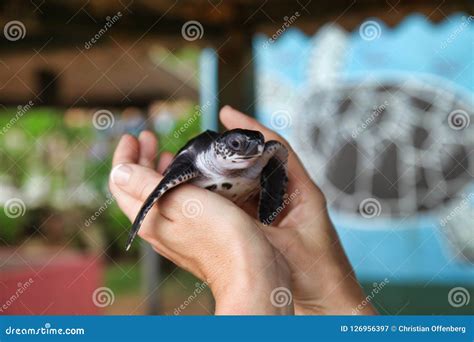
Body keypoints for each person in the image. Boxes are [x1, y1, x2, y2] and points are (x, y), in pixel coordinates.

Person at [109, 106, 377, 315]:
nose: (253, 150)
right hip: (208, 177)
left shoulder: (260, 157)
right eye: (237, 145)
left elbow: (268, 160)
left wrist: (244, 264)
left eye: (257, 144)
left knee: (275, 156)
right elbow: (162, 187)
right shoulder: (197, 162)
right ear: (220, 147)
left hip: (244, 200)